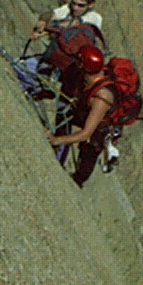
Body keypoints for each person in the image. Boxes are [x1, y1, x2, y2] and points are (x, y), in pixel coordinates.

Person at [14, 0, 105, 100]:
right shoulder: (67, 9)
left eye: (81, 5)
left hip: (75, 65)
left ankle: (38, 88)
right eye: (74, 3)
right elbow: (50, 14)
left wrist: (47, 29)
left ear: (91, 4)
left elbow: (75, 24)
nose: (75, 8)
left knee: (21, 66)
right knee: (19, 65)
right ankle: (35, 90)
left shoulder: (94, 18)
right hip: (57, 57)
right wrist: (42, 21)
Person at [47, 44, 117, 186]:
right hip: (85, 111)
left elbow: (86, 133)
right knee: (64, 113)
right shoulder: (91, 79)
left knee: (88, 153)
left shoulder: (102, 97)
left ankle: (78, 180)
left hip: (99, 127)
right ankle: (60, 151)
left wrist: (56, 140)